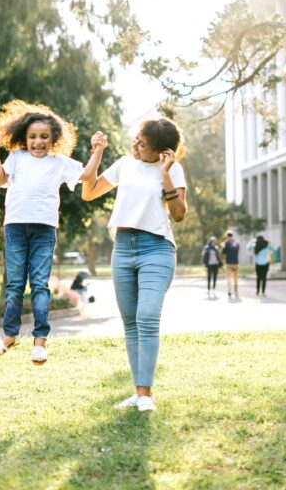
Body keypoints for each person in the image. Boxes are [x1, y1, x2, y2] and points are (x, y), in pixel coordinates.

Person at [81, 118, 187, 412]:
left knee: (147, 316)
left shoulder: (173, 169)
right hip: (123, 248)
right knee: (131, 324)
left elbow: (179, 214)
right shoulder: (125, 164)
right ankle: (139, 392)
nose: (136, 146)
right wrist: (97, 152)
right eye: (136, 140)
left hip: (157, 248)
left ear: (162, 152)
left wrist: (165, 174)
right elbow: (88, 193)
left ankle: (145, 395)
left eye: (143, 144)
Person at [0, 100, 96, 365]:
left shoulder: (59, 162)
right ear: (24, 137)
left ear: (54, 138)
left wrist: (99, 150)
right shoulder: (17, 158)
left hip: (44, 230)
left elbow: (88, 175)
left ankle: (40, 341)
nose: (38, 142)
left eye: (44, 137)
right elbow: (0, 179)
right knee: (14, 284)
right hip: (15, 227)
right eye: (33, 137)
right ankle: (9, 335)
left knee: (39, 284)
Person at [222, 230, 240, 297]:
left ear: (227, 236)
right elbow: (237, 250)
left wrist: (224, 245)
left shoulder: (226, 243)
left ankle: (229, 290)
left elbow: (223, 252)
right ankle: (235, 290)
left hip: (229, 263)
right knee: (235, 278)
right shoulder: (235, 243)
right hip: (235, 262)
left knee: (229, 277)